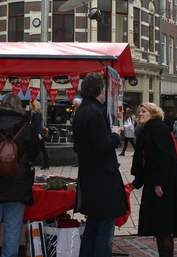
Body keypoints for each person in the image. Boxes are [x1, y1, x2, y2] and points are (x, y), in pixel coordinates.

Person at [72, 72, 128, 257]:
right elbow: (102, 145)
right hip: (102, 180)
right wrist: (115, 135)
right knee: (104, 229)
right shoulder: (95, 112)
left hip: (89, 176)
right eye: (104, 90)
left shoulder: (81, 111)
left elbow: (78, 146)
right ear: (100, 90)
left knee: (93, 227)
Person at [127, 103, 177, 256]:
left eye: (143, 111)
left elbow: (165, 156)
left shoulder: (157, 128)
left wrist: (160, 182)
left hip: (166, 181)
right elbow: (148, 160)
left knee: (164, 225)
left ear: (153, 113)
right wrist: (136, 183)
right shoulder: (148, 130)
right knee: (159, 224)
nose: (140, 114)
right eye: (139, 112)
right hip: (157, 179)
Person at [0, 93, 39, 257]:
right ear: (19, 106)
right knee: (13, 224)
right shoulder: (26, 125)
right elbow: (34, 152)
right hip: (18, 182)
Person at [30, 99, 50, 169]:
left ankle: (31, 161)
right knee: (42, 148)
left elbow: (37, 124)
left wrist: (38, 133)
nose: (29, 106)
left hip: (37, 133)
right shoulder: (39, 113)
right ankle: (46, 163)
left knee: (37, 148)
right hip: (39, 132)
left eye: (30, 105)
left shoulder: (35, 113)